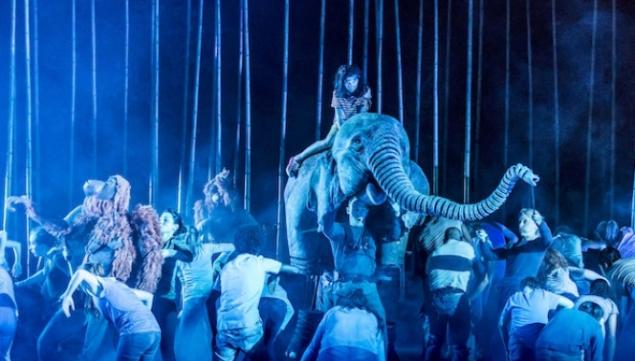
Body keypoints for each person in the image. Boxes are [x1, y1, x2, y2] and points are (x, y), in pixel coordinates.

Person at [215, 225, 303, 361]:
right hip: (248, 327)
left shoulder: (227, 267)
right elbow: (293, 270)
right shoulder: (259, 262)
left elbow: (213, 297)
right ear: (258, 245)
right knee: (265, 353)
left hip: (224, 328)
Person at [287, 64, 371, 177]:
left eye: (354, 80)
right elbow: (340, 120)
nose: (351, 84)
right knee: (328, 142)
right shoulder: (337, 94)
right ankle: (298, 158)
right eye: (347, 81)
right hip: (341, 125)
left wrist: (358, 131)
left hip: (359, 124)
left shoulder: (365, 90)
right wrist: (347, 135)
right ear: (342, 81)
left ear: (358, 79)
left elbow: (363, 113)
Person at [60, 266, 160, 361]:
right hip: (154, 332)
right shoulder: (119, 286)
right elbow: (149, 296)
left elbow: (80, 273)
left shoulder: (99, 288)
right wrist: (144, 321)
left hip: (136, 332)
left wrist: (67, 295)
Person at [424, 227, 488, 361]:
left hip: (436, 299)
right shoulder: (468, 248)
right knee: (459, 346)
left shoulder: (434, 252)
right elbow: (484, 279)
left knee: (434, 343)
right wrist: (470, 298)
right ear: (460, 238)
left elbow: (428, 279)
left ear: (445, 238)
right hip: (458, 298)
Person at [498, 277, 574, 361]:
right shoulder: (544, 294)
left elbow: (500, 323)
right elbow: (570, 304)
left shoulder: (514, 297)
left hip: (516, 345)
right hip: (538, 343)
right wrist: (554, 323)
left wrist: (506, 346)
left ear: (522, 286)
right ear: (537, 286)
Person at [301, 288, 385, 361]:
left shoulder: (333, 312)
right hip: (365, 355)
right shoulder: (373, 317)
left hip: (332, 354)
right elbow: (381, 358)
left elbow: (312, 348)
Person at [154, 210, 193, 361]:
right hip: (145, 298)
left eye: (165, 221)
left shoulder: (175, 243)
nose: (160, 222)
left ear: (174, 227)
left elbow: (190, 256)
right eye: (160, 219)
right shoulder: (150, 240)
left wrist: (170, 252)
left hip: (166, 300)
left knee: (166, 347)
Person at [534, 301, 605, 361]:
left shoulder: (564, 311)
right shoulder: (595, 324)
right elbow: (597, 356)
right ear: (598, 316)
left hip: (540, 349)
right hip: (566, 354)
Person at [575, 279, 618, 361]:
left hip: (578, 331)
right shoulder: (610, 303)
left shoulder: (581, 298)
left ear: (591, 287)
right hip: (597, 329)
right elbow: (611, 337)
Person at [0, 231, 17, 361]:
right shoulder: (4, 273)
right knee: (5, 356)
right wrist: (18, 261)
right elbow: (5, 237)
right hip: (11, 313)